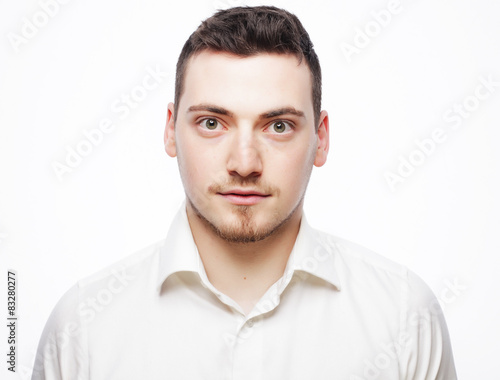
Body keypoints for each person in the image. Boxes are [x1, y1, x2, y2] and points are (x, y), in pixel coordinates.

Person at [32, 6, 457, 379]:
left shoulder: (404, 317)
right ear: (170, 131)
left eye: (278, 126)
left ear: (321, 139)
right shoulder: (83, 330)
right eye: (212, 123)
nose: (244, 163)